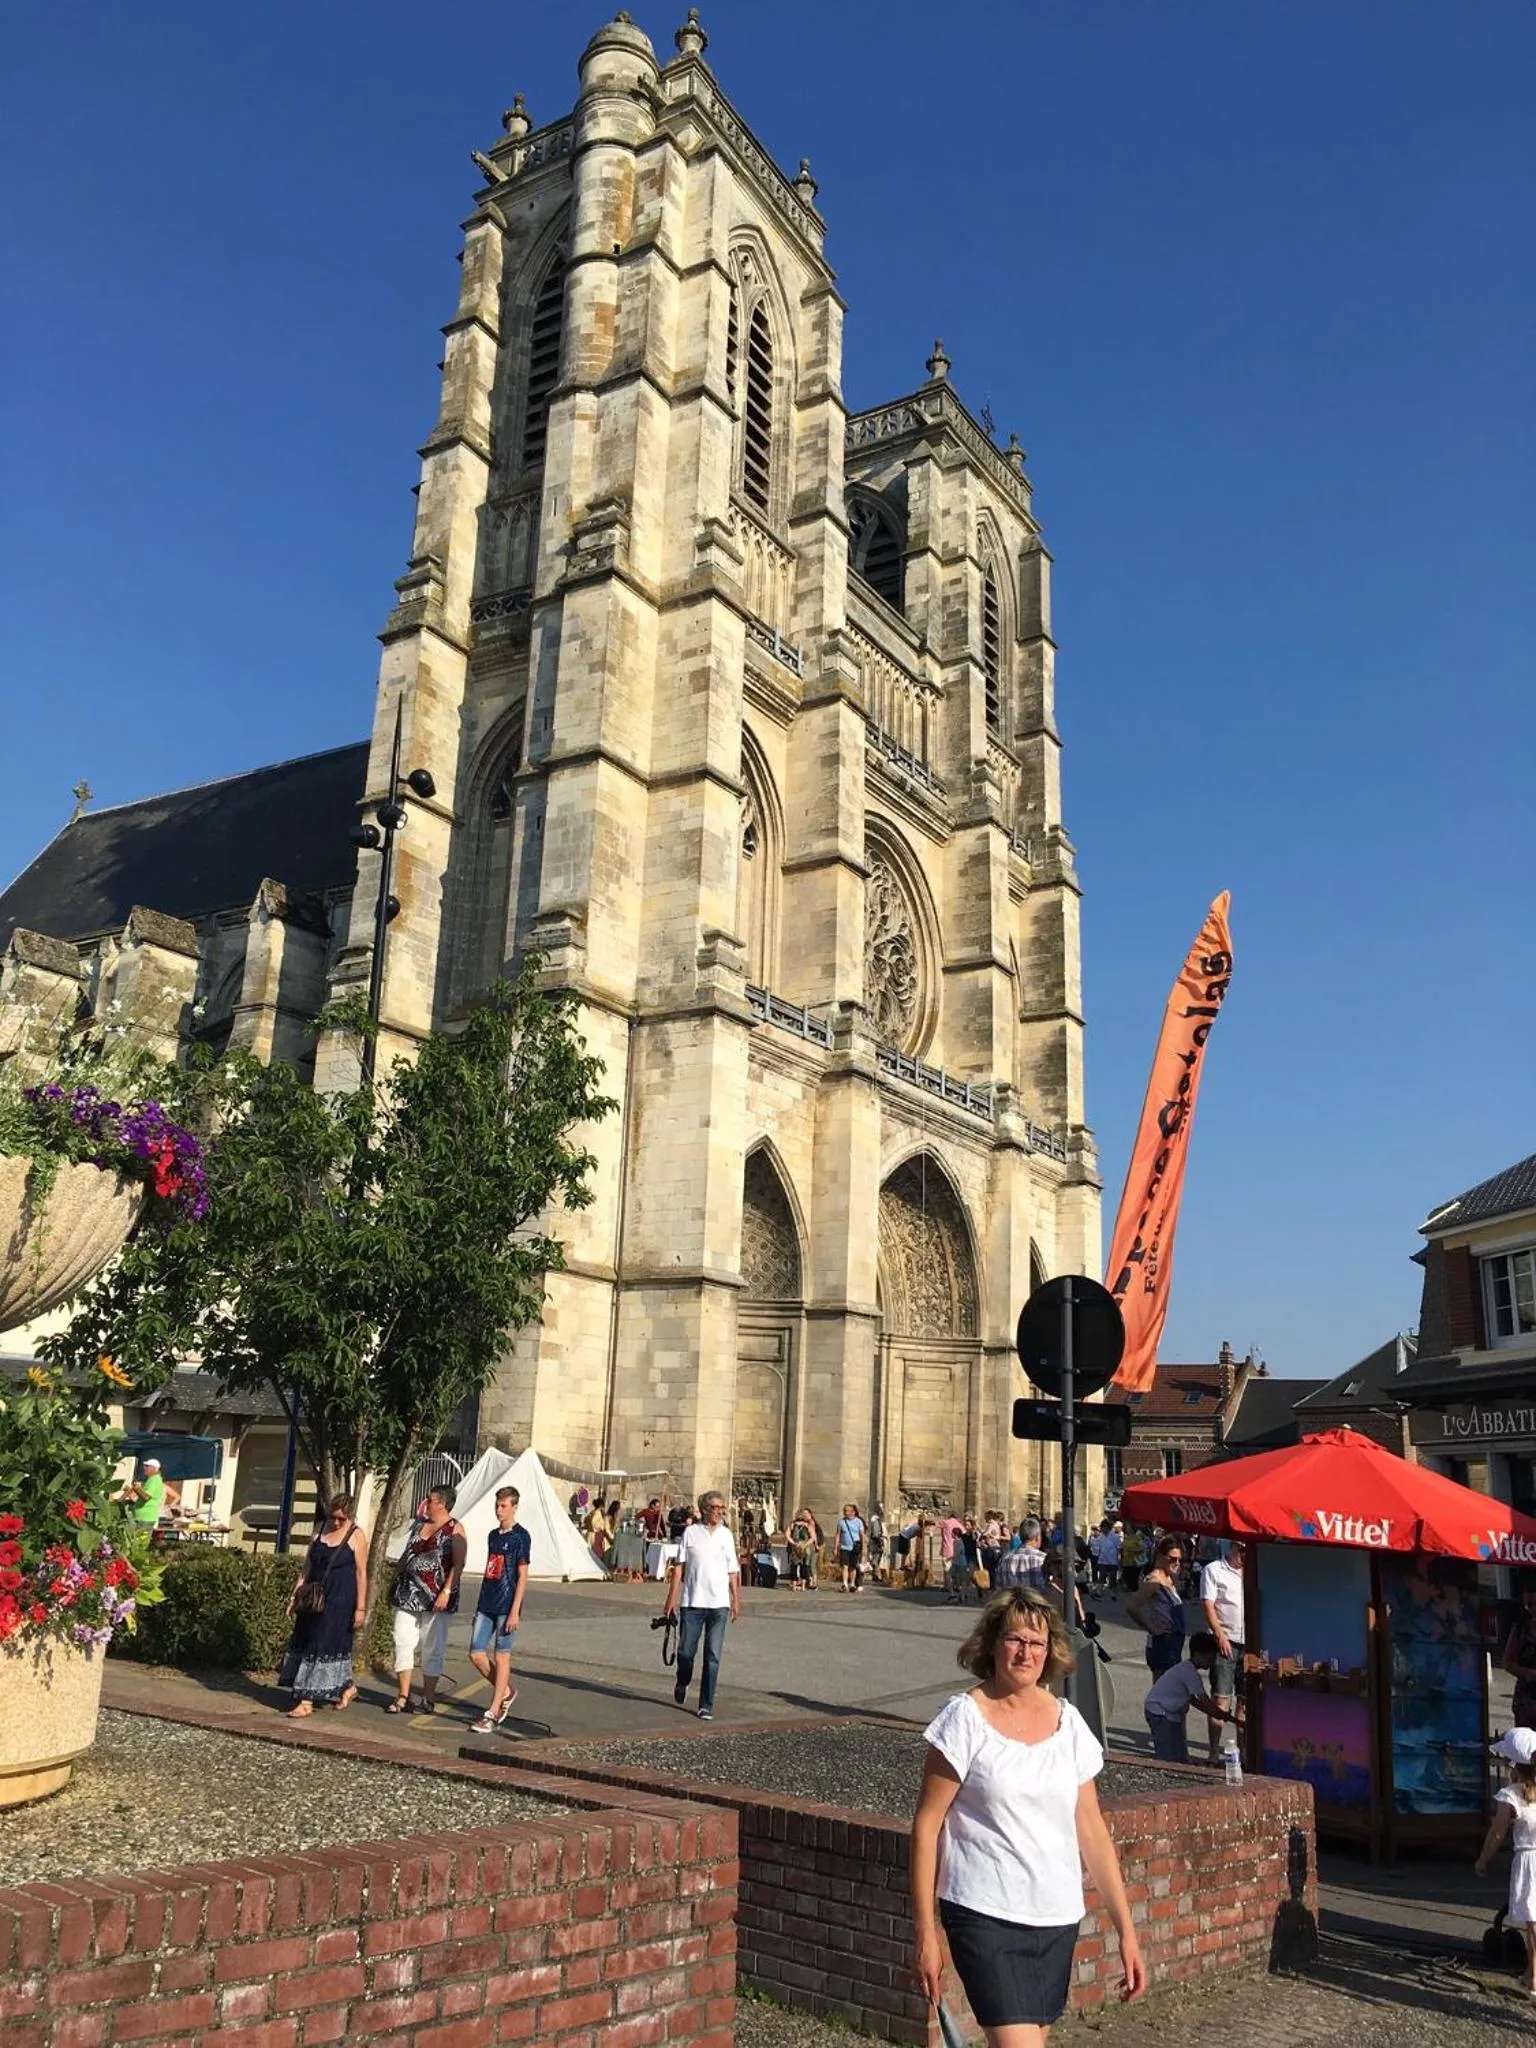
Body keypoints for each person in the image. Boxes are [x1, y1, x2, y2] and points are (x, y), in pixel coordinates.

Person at [911, 1588, 1147, 2040]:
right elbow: (926, 1826)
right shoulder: (964, 1719)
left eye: (1037, 1642)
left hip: (1055, 1917)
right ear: (992, 1644)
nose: (1026, 1652)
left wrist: (1126, 1930)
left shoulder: (1068, 1723)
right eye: (1015, 1639)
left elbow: (1092, 1830)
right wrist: (925, 1932)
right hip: (983, 1912)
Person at [279, 1494, 368, 1716]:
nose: (336, 1522)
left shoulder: (356, 1535)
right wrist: (294, 1597)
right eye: (333, 1517)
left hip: (339, 1599)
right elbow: (306, 1567)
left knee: (320, 1644)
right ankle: (347, 1687)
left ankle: (306, 1700)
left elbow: (361, 1573)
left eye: (341, 1519)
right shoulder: (319, 1529)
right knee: (309, 1640)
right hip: (313, 1597)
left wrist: (360, 1608)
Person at [387, 1485, 466, 1714]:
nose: (426, 1502)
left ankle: (427, 1698)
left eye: (430, 1499)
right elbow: (408, 1554)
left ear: (441, 1503)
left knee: (432, 1646)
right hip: (408, 1594)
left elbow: (459, 1563)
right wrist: (394, 1580)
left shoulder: (454, 1528)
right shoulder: (419, 1525)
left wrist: (447, 1591)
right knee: (402, 1640)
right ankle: (403, 1695)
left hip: (436, 1596)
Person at [663, 1490, 741, 1720]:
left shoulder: (726, 1535)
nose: (719, 1512)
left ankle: (706, 1704)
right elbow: (679, 1568)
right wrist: (671, 1598)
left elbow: (733, 1571)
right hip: (692, 1602)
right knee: (685, 1652)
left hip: (719, 1604)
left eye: (721, 1508)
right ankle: (683, 1680)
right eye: (714, 1508)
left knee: (712, 1656)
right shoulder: (691, 1532)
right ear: (704, 1509)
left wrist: (736, 1599)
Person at [1477, 1728, 1536, 1996]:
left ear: (1512, 1764)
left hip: (1528, 1860)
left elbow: (1497, 1834)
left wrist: (1482, 1860)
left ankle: (1533, 1976)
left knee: (1532, 1922)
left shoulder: (1511, 1795)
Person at [468, 1485, 530, 1735]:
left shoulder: (520, 1537)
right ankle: (505, 1690)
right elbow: (490, 1569)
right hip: (487, 1602)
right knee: (476, 1653)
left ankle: (493, 1710)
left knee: (501, 1654)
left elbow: (522, 1575)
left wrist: (515, 1610)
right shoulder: (493, 1535)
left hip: (507, 1603)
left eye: (504, 1506)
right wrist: (479, 1605)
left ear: (514, 1507)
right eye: (497, 1505)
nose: (499, 1510)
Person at [1142, 1631, 1240, 1764]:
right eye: (1209, 1658)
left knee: (1180, 1752)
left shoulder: (1186, 1669)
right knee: (1167, 1755)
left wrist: (1220, 1715)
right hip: (1159, 1712)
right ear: (1198, 1654)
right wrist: (1224, 1716)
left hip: (1169, 1712)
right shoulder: (1190, 1673)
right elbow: (1205, 1702)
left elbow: (1194, 1701)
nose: (1211, 1662)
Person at [1199, 1540, 1247, 1762]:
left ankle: (1244, 1753)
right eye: (1242, 1550)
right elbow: (1208, 1604)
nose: (1244, 1554)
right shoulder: (1214, 1570)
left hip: (1248, 1642)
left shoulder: (1252, 1570)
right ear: (1233, 1547)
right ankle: (1213, 1752)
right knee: (1220, 1699)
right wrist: (1219, 1634)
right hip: (1225, 1640)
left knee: (1245, 1702)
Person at [1126, 1535, 1187, 1676]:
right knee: (1163, 1686)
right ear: (1160, 1556)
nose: (1177, 1563)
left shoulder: (1170, 1578)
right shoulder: (1154, 1581)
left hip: (1174, 1643)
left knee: (1173, 1685)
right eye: (1172, 1559)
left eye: (1179, 1559)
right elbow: (1131, 1606)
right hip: (1162, 1644)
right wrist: (1151, 1628)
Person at [1503, 1583, 1536, 1731]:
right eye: (1528, 1605)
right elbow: (1507, 1662)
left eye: (1535, 1604)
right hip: (1526, 1699)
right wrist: (1526, 1672)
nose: (1532, 1609)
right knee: (1525, 1740)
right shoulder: (1521, 1628)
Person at [993, 1518, 1047, 1593]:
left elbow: (998, 1587)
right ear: (1037, 1537)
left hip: (1011, 1600)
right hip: (1036, 1600)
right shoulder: (1043, 1559)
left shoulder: (1005, 1559)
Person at [837, 1502, 866, 1592]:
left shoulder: (858, 1522)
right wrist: (836, 1547)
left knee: (852, 1567)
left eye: (847, 1511)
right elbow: (838, 1535)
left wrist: (864, 1547)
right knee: (844, 1566)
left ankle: (852, 1584)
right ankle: (845, 1584)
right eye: (844, 1511)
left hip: (854, 1547)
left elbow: (862, 1535)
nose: (845, 1513)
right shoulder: (841, 1522)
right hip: (844, 1547)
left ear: (853, 1512)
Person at [787, 1507, 818, 1590]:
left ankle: (797, 1585)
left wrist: (794, 1543)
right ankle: (801, 1586)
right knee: (801, 1566)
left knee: (797, 1566)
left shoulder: (795, 1524)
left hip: (799, 1547)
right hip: (802, 1547)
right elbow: (813, 1537)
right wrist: (804, 1544)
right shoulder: (805, 1525)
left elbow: (787, 1535)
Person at [1120, 1524, 1145, 1594]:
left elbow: (1143, 1548)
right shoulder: (1126, 1537)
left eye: (1128, 1527)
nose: (1126, 1528)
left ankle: (1134, 1593)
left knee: (1134, 1579)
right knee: (1125, 1576)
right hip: (1126, 1561)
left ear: (1132, 1528)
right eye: (1126, 1527)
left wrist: (1134, 1551)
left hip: (1135, 1562)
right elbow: (1122, 1548)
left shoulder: (1137, 1538)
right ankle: (1130, 1590)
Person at [868, 1502, 888, 1584]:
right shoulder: (875, 1520)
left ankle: (875, 1575)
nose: (882, 1509)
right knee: (875, 1559)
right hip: (876, 1542)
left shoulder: (878, 1519)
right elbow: (875, 1533)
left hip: (877, 1541)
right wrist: (880, 1541)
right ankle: (875, 1575)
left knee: (877, 1558)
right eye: (881, 1508)